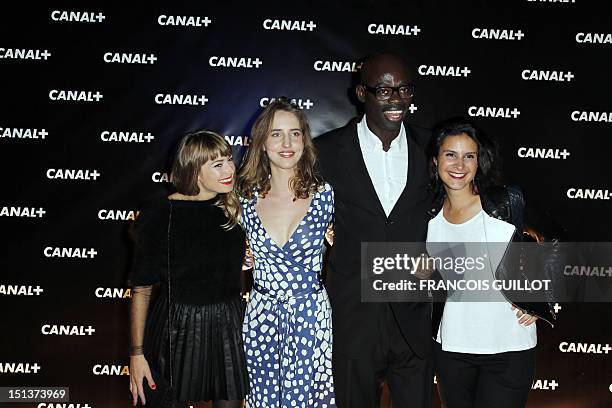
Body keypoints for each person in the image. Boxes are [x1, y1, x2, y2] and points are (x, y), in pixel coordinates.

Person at [315, 53, 433, 408]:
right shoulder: (325, 151)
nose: (396, 99)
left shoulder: (433, 147)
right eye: (384, 90)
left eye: (403, 89)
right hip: (354, 317)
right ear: (361, 93)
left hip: (414, 315)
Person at [426, 120, 559, 408]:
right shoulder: (427, 215)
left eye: (469, 156)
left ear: (479, 162)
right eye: (450, 154)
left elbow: (555, 243)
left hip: (510, 348)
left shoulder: (505, 203)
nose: (459, 164)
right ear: (436, 160)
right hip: (451, 349)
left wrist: (542, 297)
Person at [128, 131, 249, 408]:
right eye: (217, 164)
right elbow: (142, 289)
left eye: (229, 160)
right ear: (194, 170)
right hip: (175, 328)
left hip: (227, 326)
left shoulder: (233, 208)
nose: (230, 169)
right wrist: (136, 355)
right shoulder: (160, 213)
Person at [237, 97, 335, 407]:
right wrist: (237, 258)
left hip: (312, 317)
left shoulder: (326, 195)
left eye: (295, 133)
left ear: (305, 140)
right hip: (261, 317)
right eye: (276, 134)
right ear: (262, 142)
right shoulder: (244, 198)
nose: (287, 142)